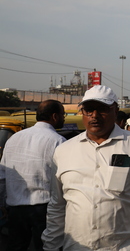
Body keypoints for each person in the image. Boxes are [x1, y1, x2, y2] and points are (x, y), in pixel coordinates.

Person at [42, 85, 130, 251]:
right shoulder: (64, 151)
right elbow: (57, 205)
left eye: (102, 109)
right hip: (77, 245)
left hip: (124, 246)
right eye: (89, 110)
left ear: (115, 111)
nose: (94, 116)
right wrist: (51, 245)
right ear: (82, 113)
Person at [0, 100, 66, 251]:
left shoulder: (14, 139)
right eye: (63, 114)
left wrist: (2, 204)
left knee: (16, 247)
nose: (64, 118)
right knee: (46, 247)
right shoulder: (58, 141)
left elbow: (2, 176)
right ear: (55, 116)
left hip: (15, 208)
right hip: (44, 209)